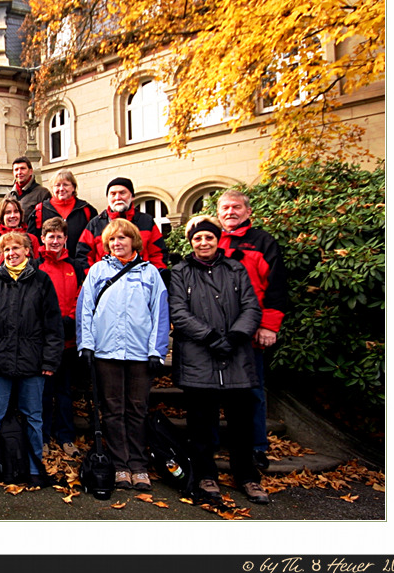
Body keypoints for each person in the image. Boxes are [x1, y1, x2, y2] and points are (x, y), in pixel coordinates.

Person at [168, 215, 268, 505]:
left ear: (217, 240)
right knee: (201, 423)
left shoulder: (235, 269)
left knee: (242, 423)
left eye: (208, 238)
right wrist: (210, 336)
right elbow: (178, 310)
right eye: (198, 238)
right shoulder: (181, 271)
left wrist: (236, 335)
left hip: (236, 355)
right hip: (199, 355)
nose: (203, 243)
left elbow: (251, 305)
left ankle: (247, 475)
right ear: (191, 242)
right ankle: (205, 474)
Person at [76, 218, 169, 491]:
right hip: (107, 352)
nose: (117, 243)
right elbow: (85, 310)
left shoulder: (150, 273)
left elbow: (160, 314)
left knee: (137, 409)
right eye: (112, 240)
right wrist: (87, 345)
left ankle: (139, 466)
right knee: (113, 410)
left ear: (134, 241)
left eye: (122, 238)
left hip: (140, 354)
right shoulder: (97, 271)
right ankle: (120, 465)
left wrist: (157, 351)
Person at [0, 232, 63, 489]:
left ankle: (35, 467)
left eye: (16, 248)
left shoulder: (41, 281)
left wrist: (49, 361)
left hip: (32, 362)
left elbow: (53, 326)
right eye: (6, 249)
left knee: (34, 417)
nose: (11, 253)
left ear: (27, 251)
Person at [217, 188, 289, 470]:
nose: (230, 212)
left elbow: (276, 287)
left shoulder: (263, 242)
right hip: (216, 331)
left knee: (252, 391)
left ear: (248, 211)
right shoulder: (212, 240)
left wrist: (269, 326)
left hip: (250, 331)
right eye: (225, 208)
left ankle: (256, 446)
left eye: (236, 207)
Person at [34, 217, 83, 458]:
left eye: (59, 236)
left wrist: (69, 321)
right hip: (42, 342)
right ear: (43, 238)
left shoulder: (75, 267)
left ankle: (66, 436)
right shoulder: (35, 266)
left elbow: (80, 298)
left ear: (66, 239)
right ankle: (41, 436)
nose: (55, 240)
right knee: (42, 392)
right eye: (50, 236)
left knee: (64, 392)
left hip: (67, 340)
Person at [76, 177, 169, 285]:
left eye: (122, 193)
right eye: (113, 194)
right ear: (108, 197)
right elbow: (83, 255)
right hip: (106, 286)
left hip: (141, 285)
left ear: (132, 196)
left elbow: (159, 254)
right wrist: (94, 280)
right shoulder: (95, 224)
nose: (117, 197)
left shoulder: (146, 221)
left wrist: (152, 279)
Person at [27, 169, 97, 275]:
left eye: (65, 185)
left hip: (79, 269)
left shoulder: (86, 210)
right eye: (57, 185)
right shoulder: (40, 210)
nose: (61, 189)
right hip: (47, 270)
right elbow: (32, 241)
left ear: (73, 187)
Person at [0, 197, 41, 273]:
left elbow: (38, 267)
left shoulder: (32, 239)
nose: (12, 215)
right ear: (2, 216)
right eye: (8, 212)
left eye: (16, 212)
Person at [5, 155, 51, 220]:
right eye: (16, 169)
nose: (19, 172)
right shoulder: (9, 196)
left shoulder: (42, 193)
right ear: (13, 173)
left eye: (22, 168)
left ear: (31, 171)